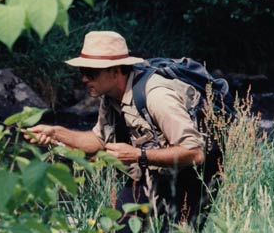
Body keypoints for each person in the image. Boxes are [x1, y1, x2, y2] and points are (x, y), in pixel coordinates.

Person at [23, 31, 206, 232]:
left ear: (116, 71)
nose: (84, 79)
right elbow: (98, 140)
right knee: (117, 228)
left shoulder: (157, 97)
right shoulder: (109, 96)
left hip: (191, 180)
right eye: (82, 71)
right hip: (149, 176)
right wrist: (55, 133)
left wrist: (138, 154)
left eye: (91, 72)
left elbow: (195, 153)